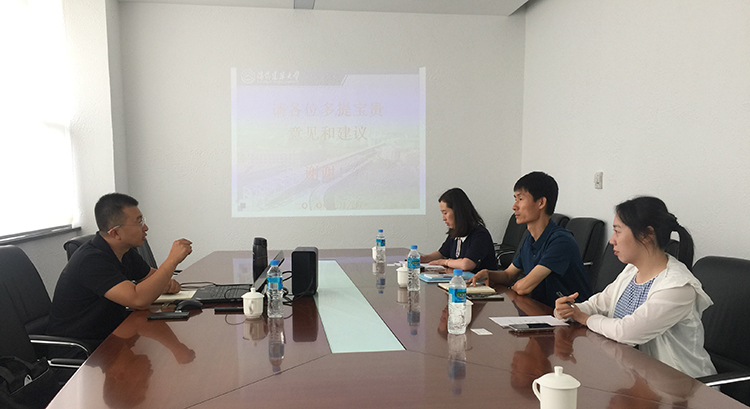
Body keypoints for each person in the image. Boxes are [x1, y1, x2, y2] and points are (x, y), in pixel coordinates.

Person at [554, 196, 716, 378]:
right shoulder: (631, 271)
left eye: (617, 231)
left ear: (646, 235)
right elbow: (596, 305)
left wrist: (583, 317)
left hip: (680, 384)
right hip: (634, 376)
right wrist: (569, 310)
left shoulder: (678, 286)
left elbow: (627, 332)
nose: (612, 240)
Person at [48, 193, 193, 352]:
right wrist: (172, 261)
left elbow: (152, 277)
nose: (145, 228)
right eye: (139, 222)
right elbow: (138, 300)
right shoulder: (91, 260)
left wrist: (165, 283)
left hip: (112, 336)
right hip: (82, 349)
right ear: (115, 233)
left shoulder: (124, 251)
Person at [467, 172, 592, 307]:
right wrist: (489, 274)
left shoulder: (561, 241)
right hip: (543, 310)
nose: (514, 206)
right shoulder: (530, 239)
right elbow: (509, 275)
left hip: (573, 315)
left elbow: (524, 287)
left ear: (541, 202)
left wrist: (515, 286)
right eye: (515, 199)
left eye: (520, 199)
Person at [420, 188, 498, 273]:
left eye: (445, 213)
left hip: (481, 280)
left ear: (458, 212)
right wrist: (423, 258)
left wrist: (445, 262)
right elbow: (441, 254)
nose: (443, 218)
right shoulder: (455, 232)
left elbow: (466, 264)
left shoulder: (480, 234)